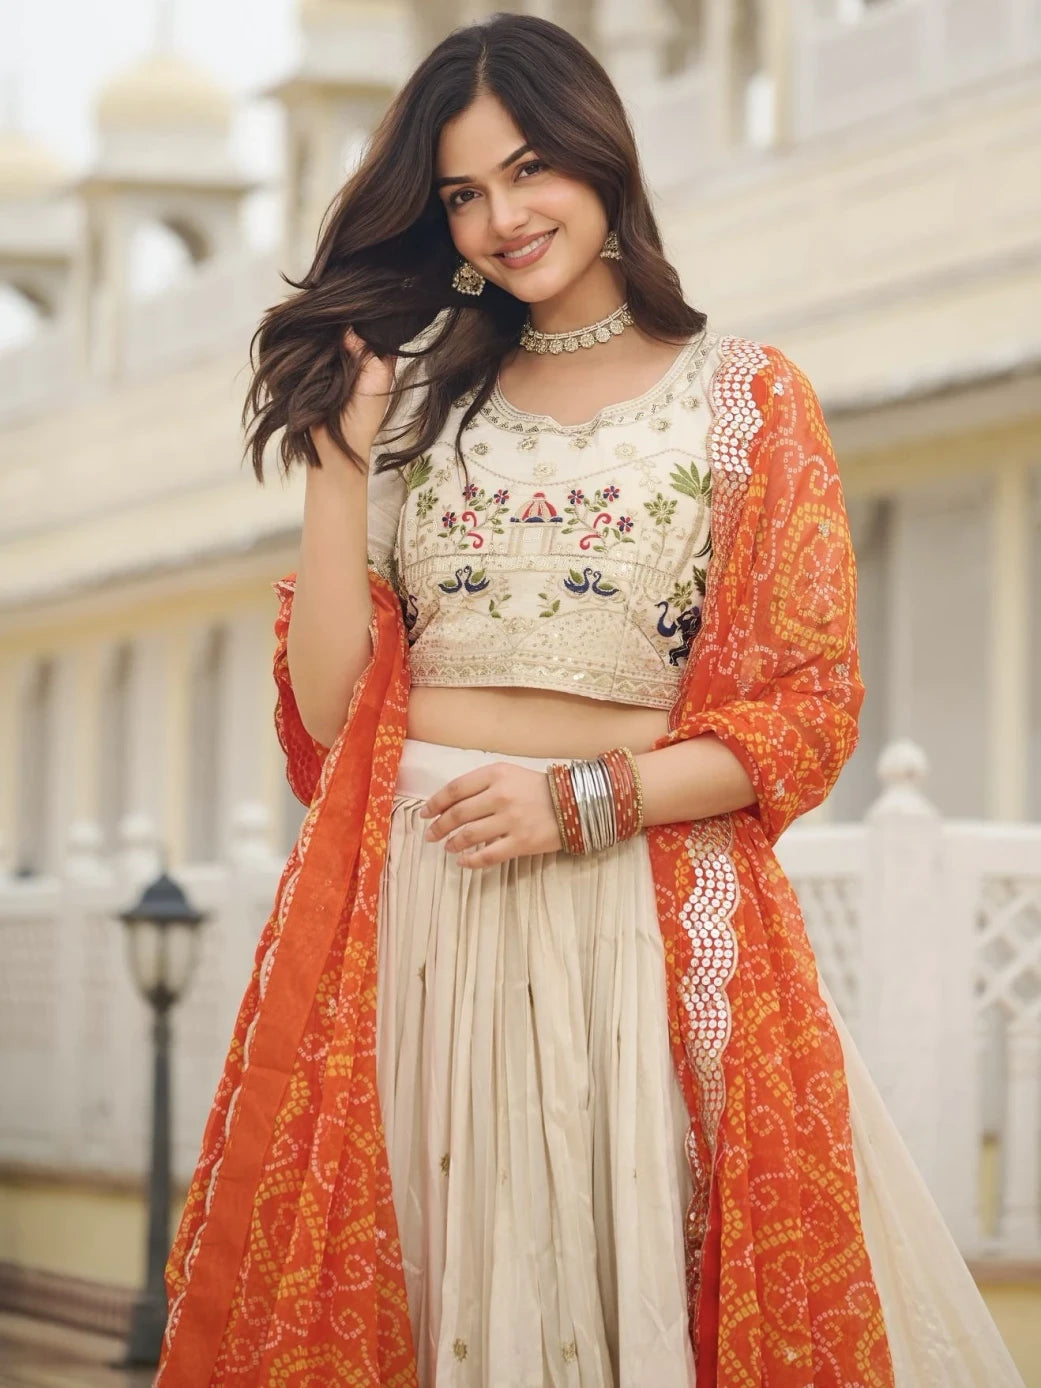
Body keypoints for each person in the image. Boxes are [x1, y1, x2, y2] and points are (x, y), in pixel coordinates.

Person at [156, 14, 1024, 1388]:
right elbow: (330, 726)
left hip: (625, 906)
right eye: (461, 192)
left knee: (610, 1297)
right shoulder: (418, 403)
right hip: (421, 923)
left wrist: (581, 804)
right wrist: (333, 464)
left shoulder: (738, 399)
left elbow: (800, 712)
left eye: (528, 170)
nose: (502, 216)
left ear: (600, 156)